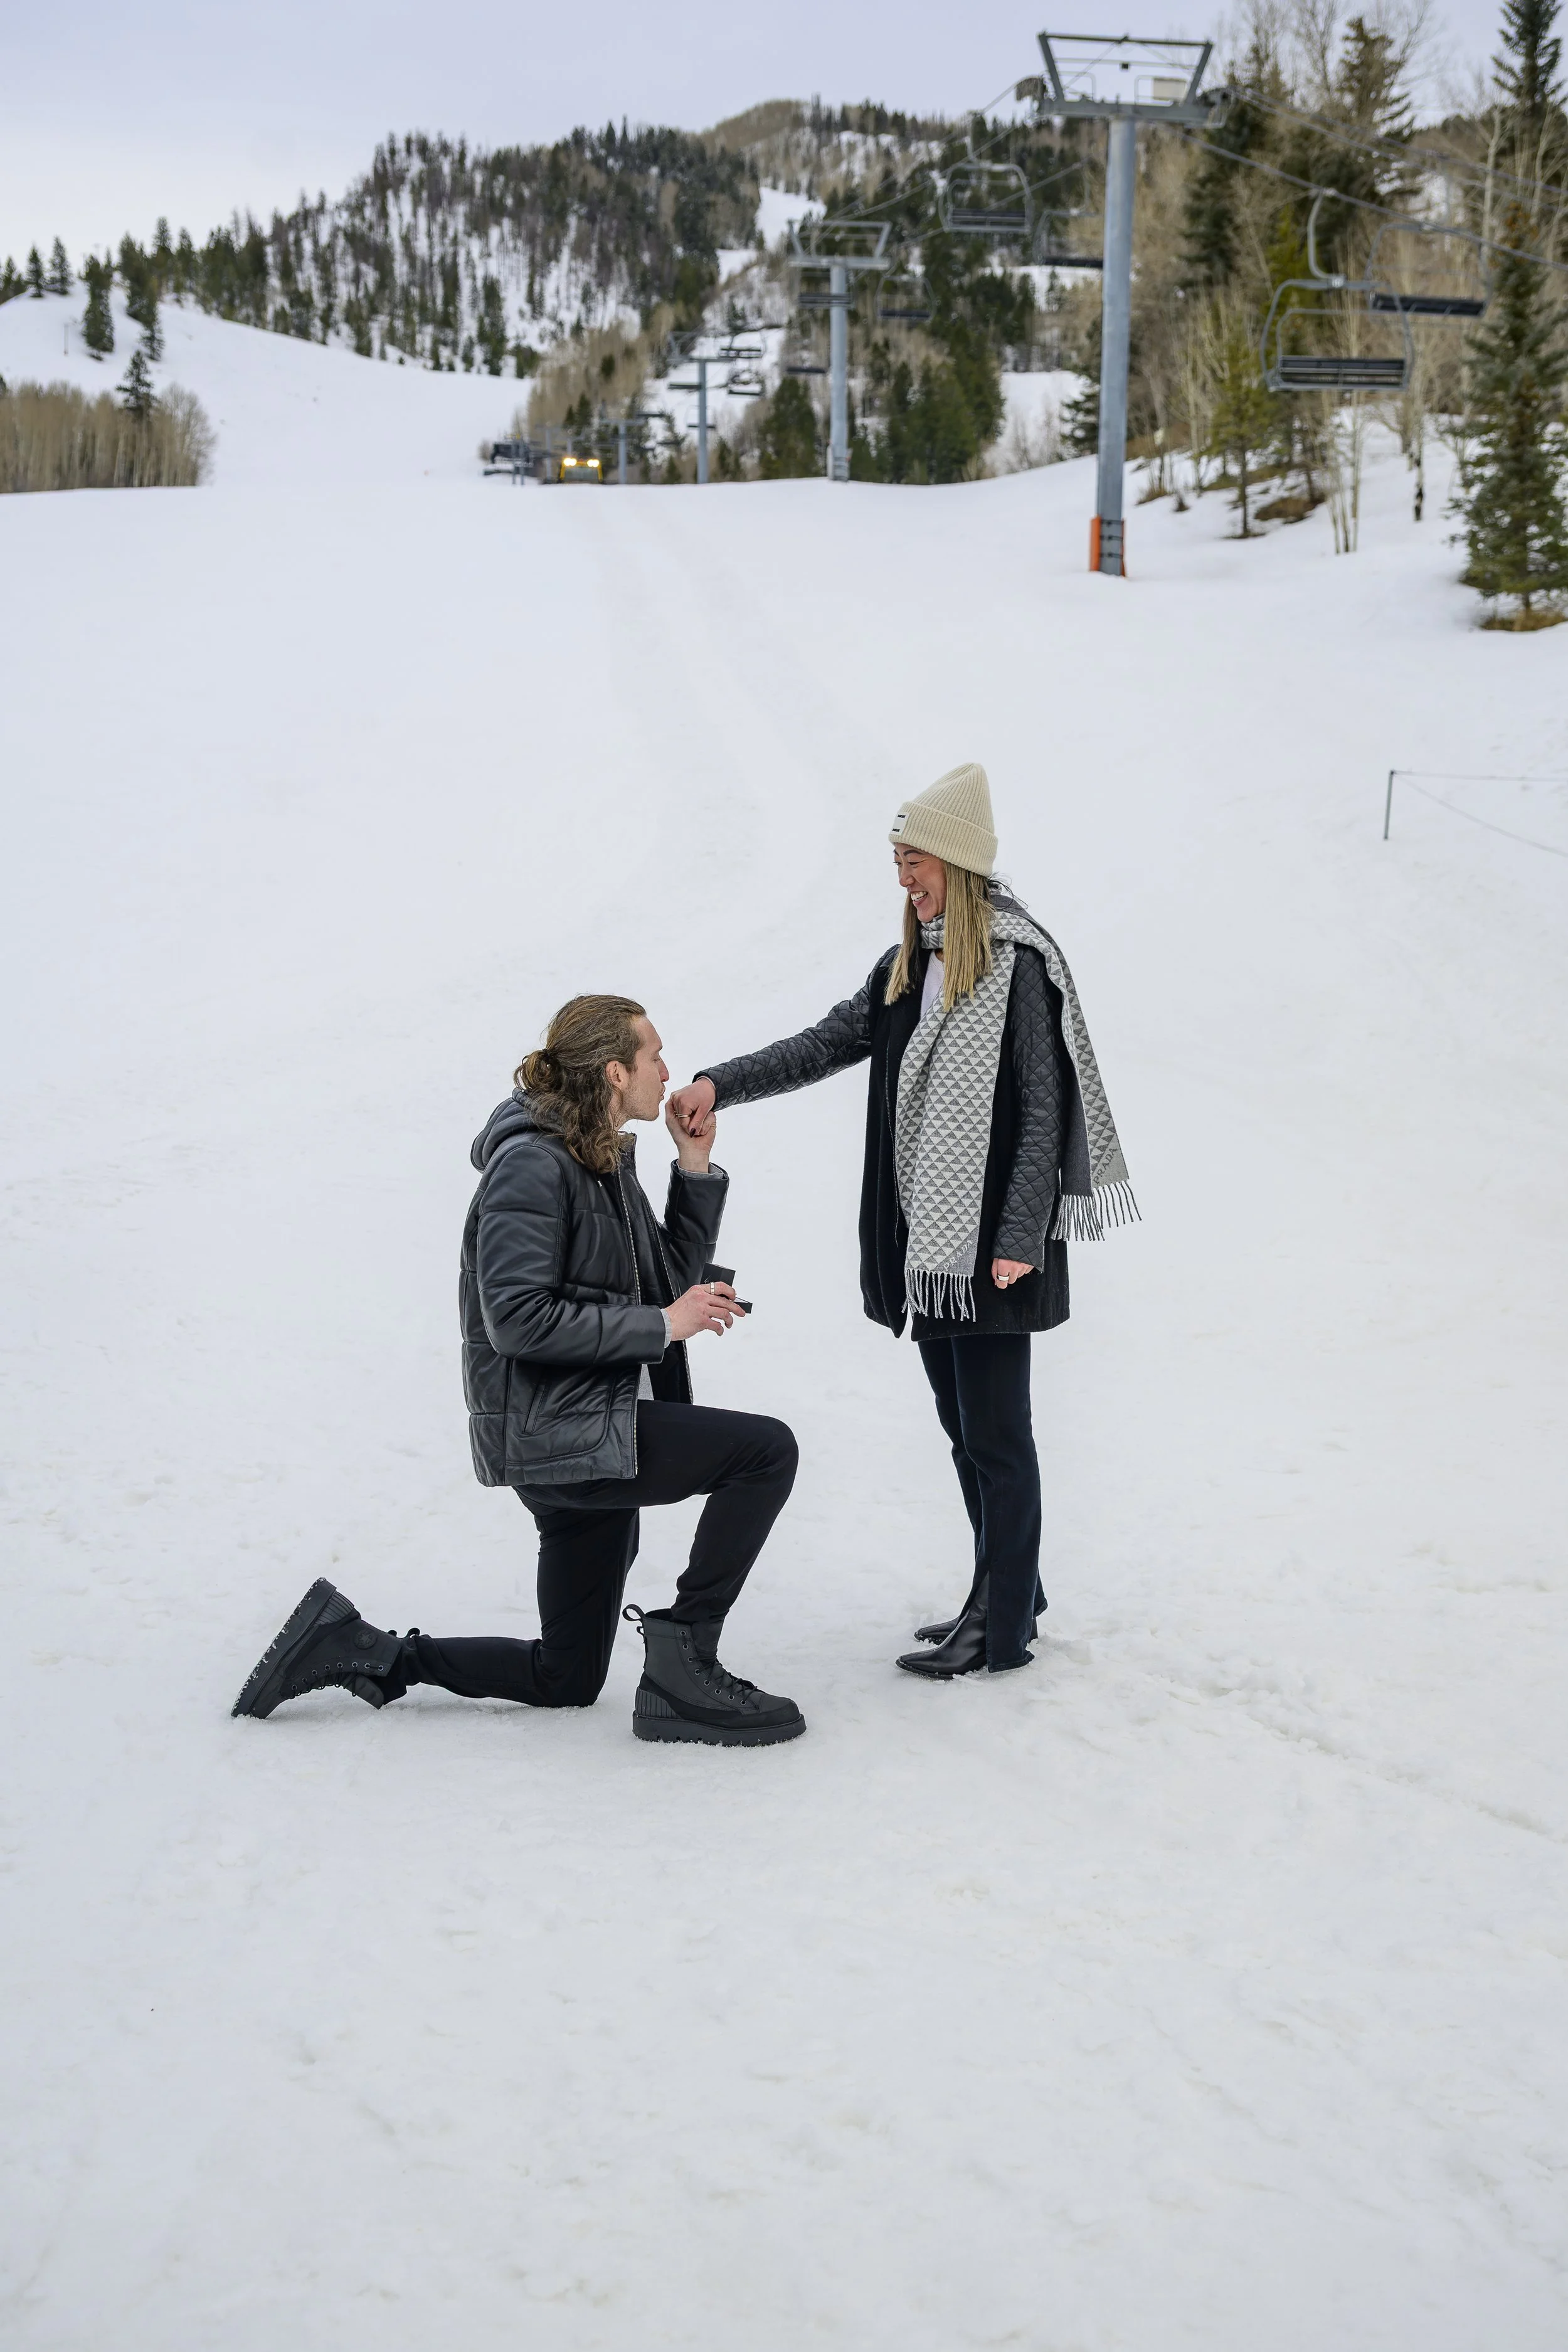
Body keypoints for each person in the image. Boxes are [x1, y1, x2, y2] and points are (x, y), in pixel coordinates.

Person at [233, 994, 805, 1747]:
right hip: (562, 1434)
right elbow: (517, 1318)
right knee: (765, 1452)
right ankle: (685, 1658)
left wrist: (693, 1170)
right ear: (612, 1071)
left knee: (565, 1677)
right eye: (654, 1056)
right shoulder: (533, 1166)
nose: (667, 1071)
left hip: (587, 1430)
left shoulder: (598, 1157)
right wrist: (665, 1325)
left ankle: (362, 1650)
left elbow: (660, 1278)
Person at [670, 763, 1135, 1681]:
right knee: (964, 1430)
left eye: (915, 860)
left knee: (1000, 1437)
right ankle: (1007, 1586)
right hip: (928, 1247)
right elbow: (824, 1042)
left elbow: (1045, 1108)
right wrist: (724, 1081)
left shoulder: (1021, 964)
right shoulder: (906, 966)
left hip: (995, 1248)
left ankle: (1003, 1627)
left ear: (958, 866)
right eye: (896, 860)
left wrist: (1014, 1239)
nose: (903, 878)